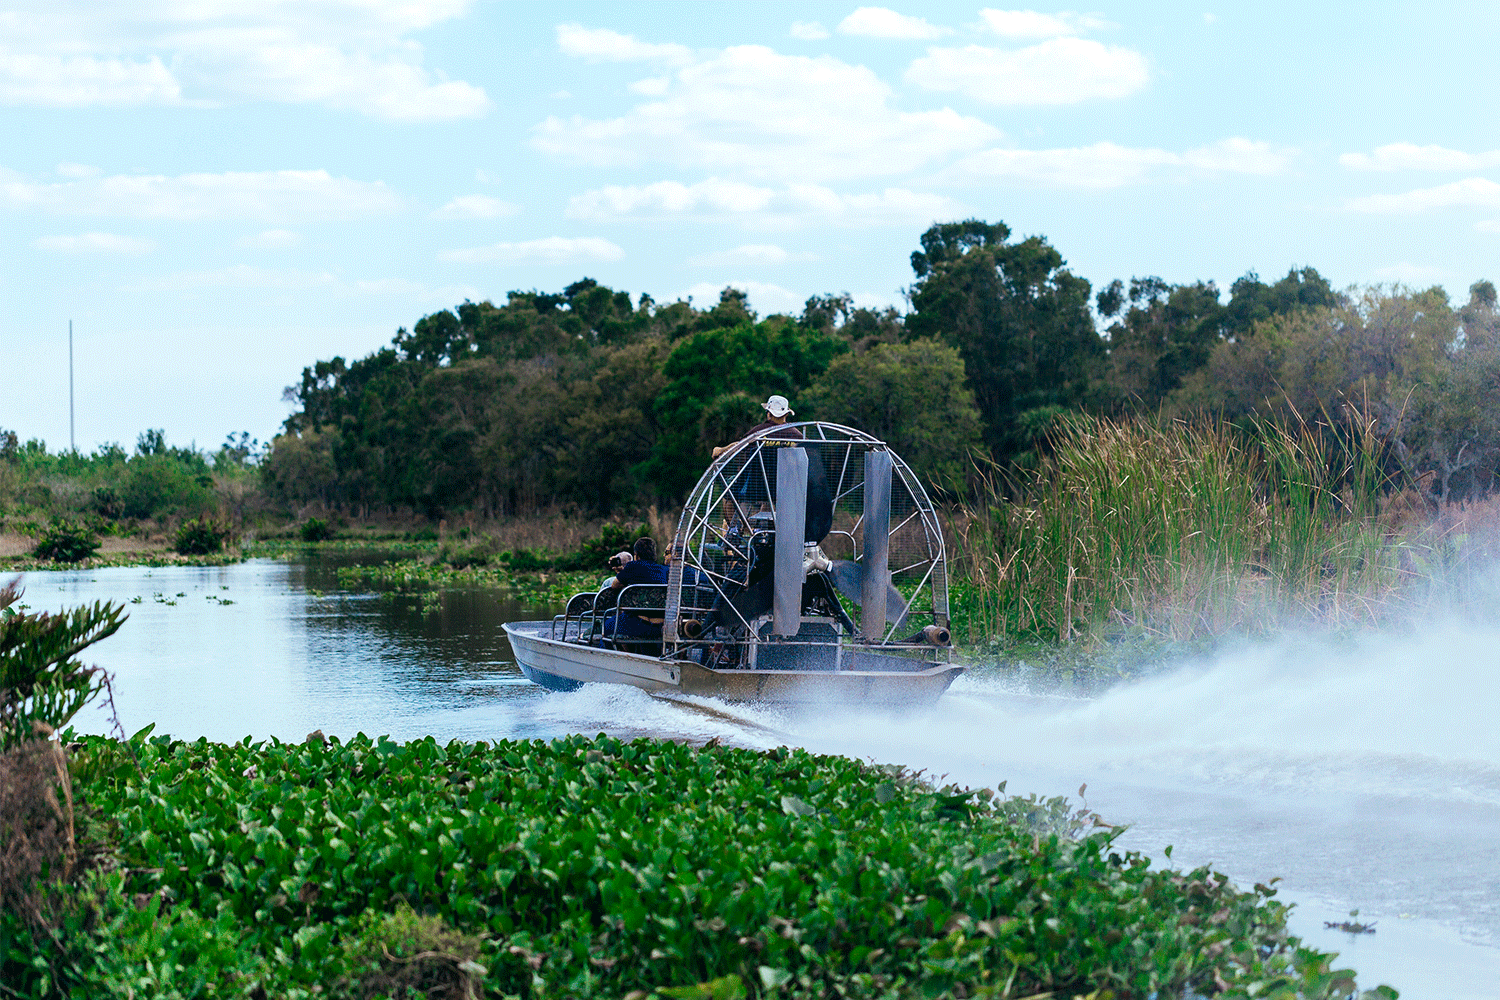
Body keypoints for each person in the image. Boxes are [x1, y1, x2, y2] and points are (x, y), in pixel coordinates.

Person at [601, 537, 669, 642]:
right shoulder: (663, 569)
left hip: (637, 624)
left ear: (636, 555)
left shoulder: (632, 566)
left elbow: (614, 585)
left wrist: (622, 573)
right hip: (660, 626)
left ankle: (622, 655)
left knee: (606, 627)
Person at [712, 394, 802, 459]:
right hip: (790, 483)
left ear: (768, 414)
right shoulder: (797, 435)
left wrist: (721, 450)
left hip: (758, 483)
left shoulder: (758, 432)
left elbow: (739, 446)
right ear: (786, 414)